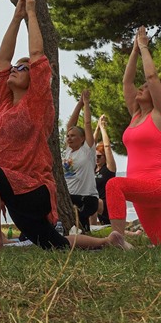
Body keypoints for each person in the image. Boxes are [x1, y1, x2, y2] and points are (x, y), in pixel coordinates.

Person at [0, 0, 123, 251]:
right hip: (14, 195)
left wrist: (31, 14)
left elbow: (37, 53)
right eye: (15, 68)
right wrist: (16, 17)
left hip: (34, 190)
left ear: (34, 79)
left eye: (23, 68)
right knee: (55, 244)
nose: (15, 70)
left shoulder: (37, 102)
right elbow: (2, 59)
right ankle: (109, 242)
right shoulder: (5, 104)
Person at [107, 26, 161, 247]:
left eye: (146, 88)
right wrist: (134, 51)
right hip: (141, 192)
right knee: (158, 242)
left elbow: (151, 75)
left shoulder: (158, 115)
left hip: (156, 183)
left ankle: (117, 238)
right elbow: (126, 83)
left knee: (114, 185)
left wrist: (144, 47)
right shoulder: (136, 115)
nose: (141, 87)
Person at [63, 90, 98, 234]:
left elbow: (87, 124)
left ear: (82, 138)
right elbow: (70, 124)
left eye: (73, 136)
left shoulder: (87, 151)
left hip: (87, 198)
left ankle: (87, 241)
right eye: (68, 136)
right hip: (69, 197)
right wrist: (79, 103)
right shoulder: (68, 151)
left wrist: (87, 103)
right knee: (71, 229)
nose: (69, 138)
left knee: (80, 227)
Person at [93, 115, 117, 225]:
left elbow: (107, 147)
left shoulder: (109, 168)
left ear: (105, 157)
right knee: (109, 230)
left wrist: (102, 128)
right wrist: (97, 128)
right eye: (95, 156)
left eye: (99, 157)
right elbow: (89, 147)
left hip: (108, 204)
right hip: (98, 208)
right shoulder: (93, 169)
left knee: (89, 201)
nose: (96, 159)